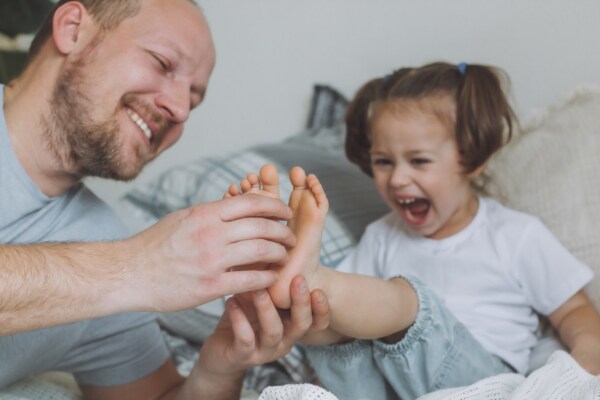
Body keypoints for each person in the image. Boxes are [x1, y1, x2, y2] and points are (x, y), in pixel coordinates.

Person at [0, 0, 330, 398]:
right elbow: (130, 269)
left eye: (193, 98)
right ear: (72, 29)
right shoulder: (123, 264)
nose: (179, 110)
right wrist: (136, 267)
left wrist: (221, 366)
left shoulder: (103, 240)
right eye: (161, 62)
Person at [229, 62, 600, 400]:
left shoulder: (515, 235)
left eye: (419, 161)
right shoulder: (381, 236)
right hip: (386, 391)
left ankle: (307, 281)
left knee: (408, 302)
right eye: (383, 162)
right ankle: (296, 291)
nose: (398, 179)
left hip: (479, 385)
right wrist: (313, 323)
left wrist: (583, 360)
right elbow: (346, 331)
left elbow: (574, 311)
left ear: (472, 160)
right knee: (330, 327)